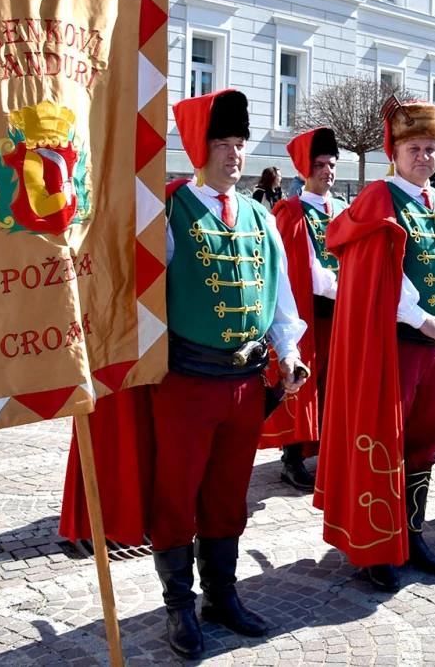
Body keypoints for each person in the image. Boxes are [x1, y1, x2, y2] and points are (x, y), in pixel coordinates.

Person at [113, 89, 308, 658]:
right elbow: (136, 290)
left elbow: (280, 296)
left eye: (240, 144)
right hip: (187, 381)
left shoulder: (259, 216)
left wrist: (287, 351)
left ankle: (221, 595)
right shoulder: (170, 213)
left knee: (228, 494)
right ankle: (178, 607)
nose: (234, 154)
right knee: (177, 495)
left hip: (247, 384)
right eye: (223, 143)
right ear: (201, 149)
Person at [315, 96, 435, 592]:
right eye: (414, 147)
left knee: (423, 445)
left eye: (431, 147)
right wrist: (423, 318)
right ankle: (375, 547)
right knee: (382, 444)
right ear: (395, 149)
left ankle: (411, 533)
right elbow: (376, 278)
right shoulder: (378, 200)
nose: (423, 156)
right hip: (389, 346)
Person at [261, 127, 345, 491]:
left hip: (342, 316)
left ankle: (327, 450)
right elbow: (306, 269)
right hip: (309, 315)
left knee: (333, 387)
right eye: (320, 165)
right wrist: (346, 286)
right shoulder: (291, 211)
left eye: (331, 164)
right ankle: (292, 458)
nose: (327, 171)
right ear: (303, 171)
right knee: (302, 382)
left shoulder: (344, 209)